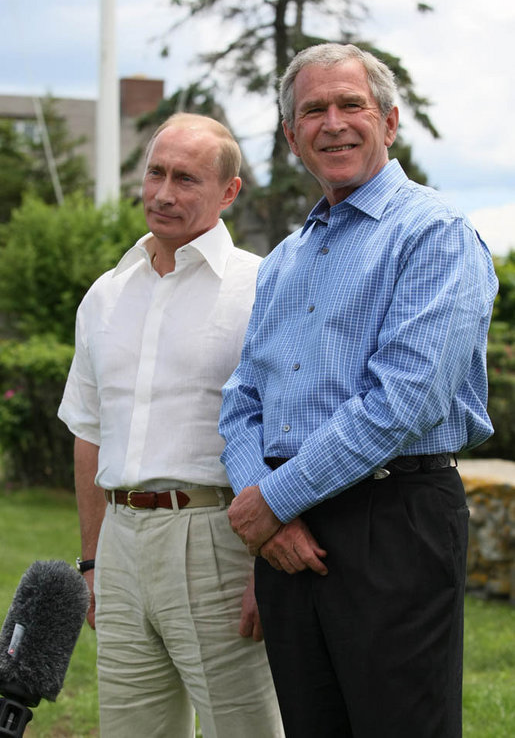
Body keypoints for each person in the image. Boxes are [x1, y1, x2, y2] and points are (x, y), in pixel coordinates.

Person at [219, 44, 498, 738]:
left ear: (389, 121)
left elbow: (402, 402)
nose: (332, 122)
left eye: (351, 105)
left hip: (392, 519)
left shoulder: (434, 236)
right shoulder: (284, 258)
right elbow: (240, 402)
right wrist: (270, 511)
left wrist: (271, 503)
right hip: (289, 536)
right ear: (291, 138)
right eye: (313, 109)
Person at [58, 113, 284, 738]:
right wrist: (93, 561)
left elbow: (288, 434)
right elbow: (88, 429)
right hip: (120, 545)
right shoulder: (105, 294)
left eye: (186, 178)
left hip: (220, 543)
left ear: (229, 192)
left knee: (247, 730)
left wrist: (267, 568)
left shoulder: (263, 286)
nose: (164, 193)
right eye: (155, 172)